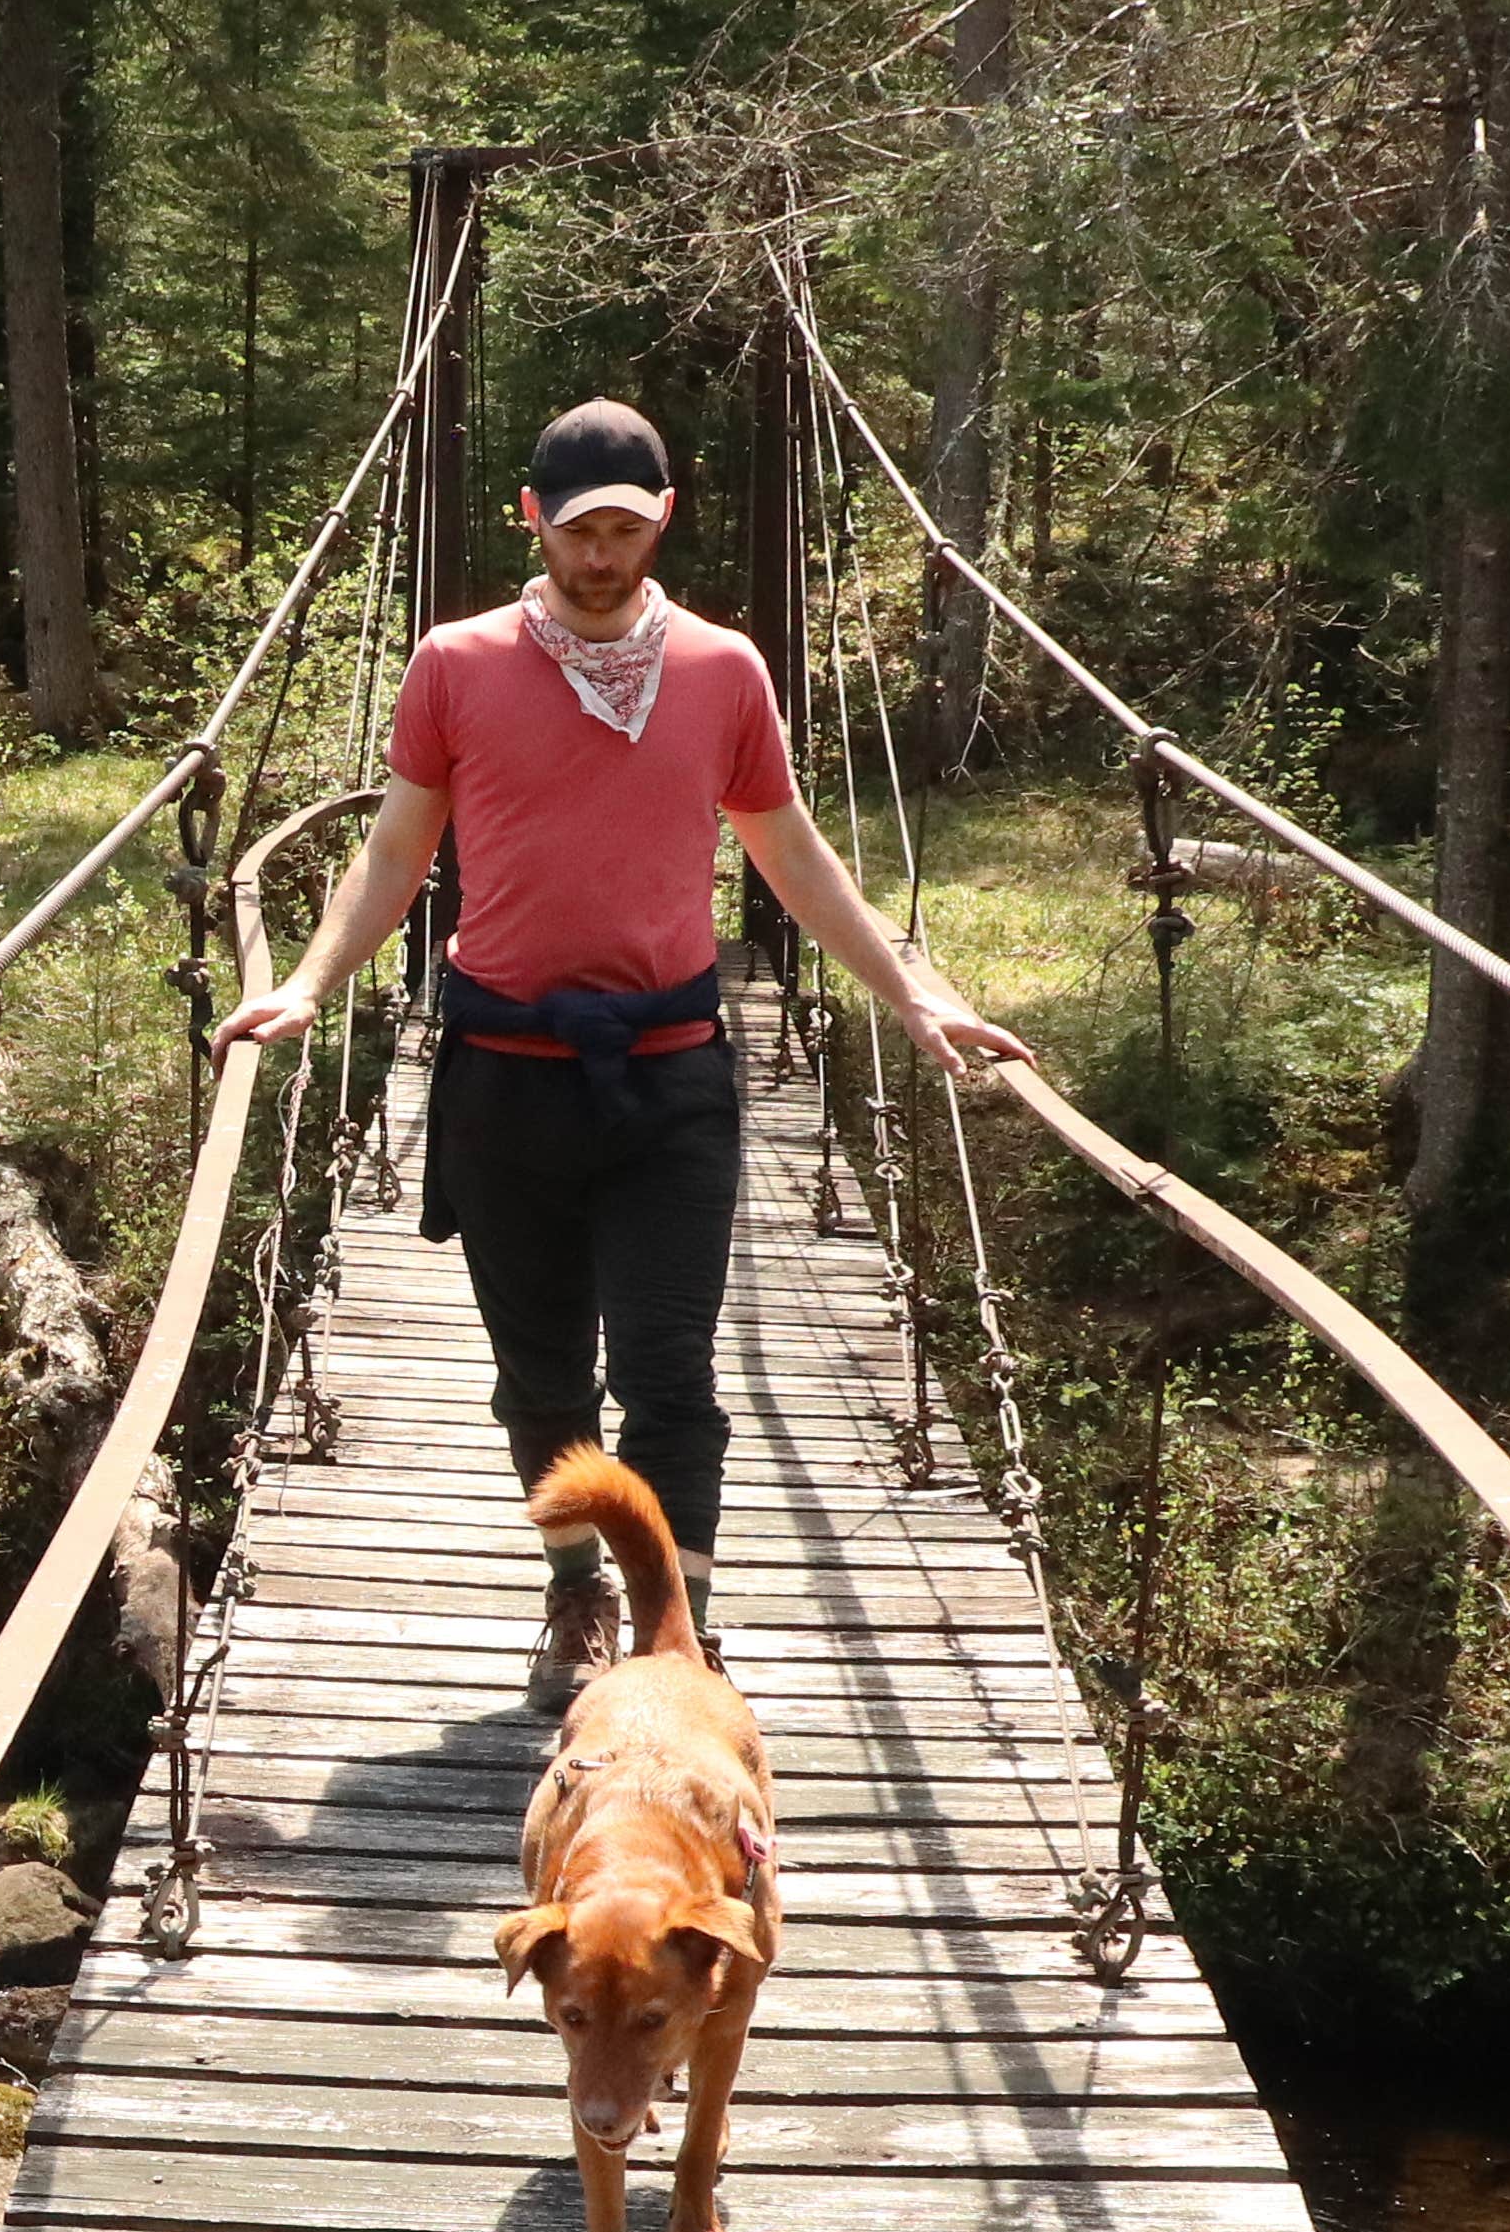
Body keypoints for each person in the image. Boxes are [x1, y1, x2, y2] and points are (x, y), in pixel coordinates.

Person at [219, 396, 1033, 1702]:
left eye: (627, 529)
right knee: (539, 1384)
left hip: (670, 1079)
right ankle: (575, 1602)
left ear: (663, 521)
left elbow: (794, 859)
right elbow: (393, 854)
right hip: (504, 1079)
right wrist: (314, 985)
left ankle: (677, 1634)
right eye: (579, 529)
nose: (603, 555)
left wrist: (917, 997)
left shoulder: (724, 672)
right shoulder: (456, 665)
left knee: (669, 1377)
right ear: (534, 521)